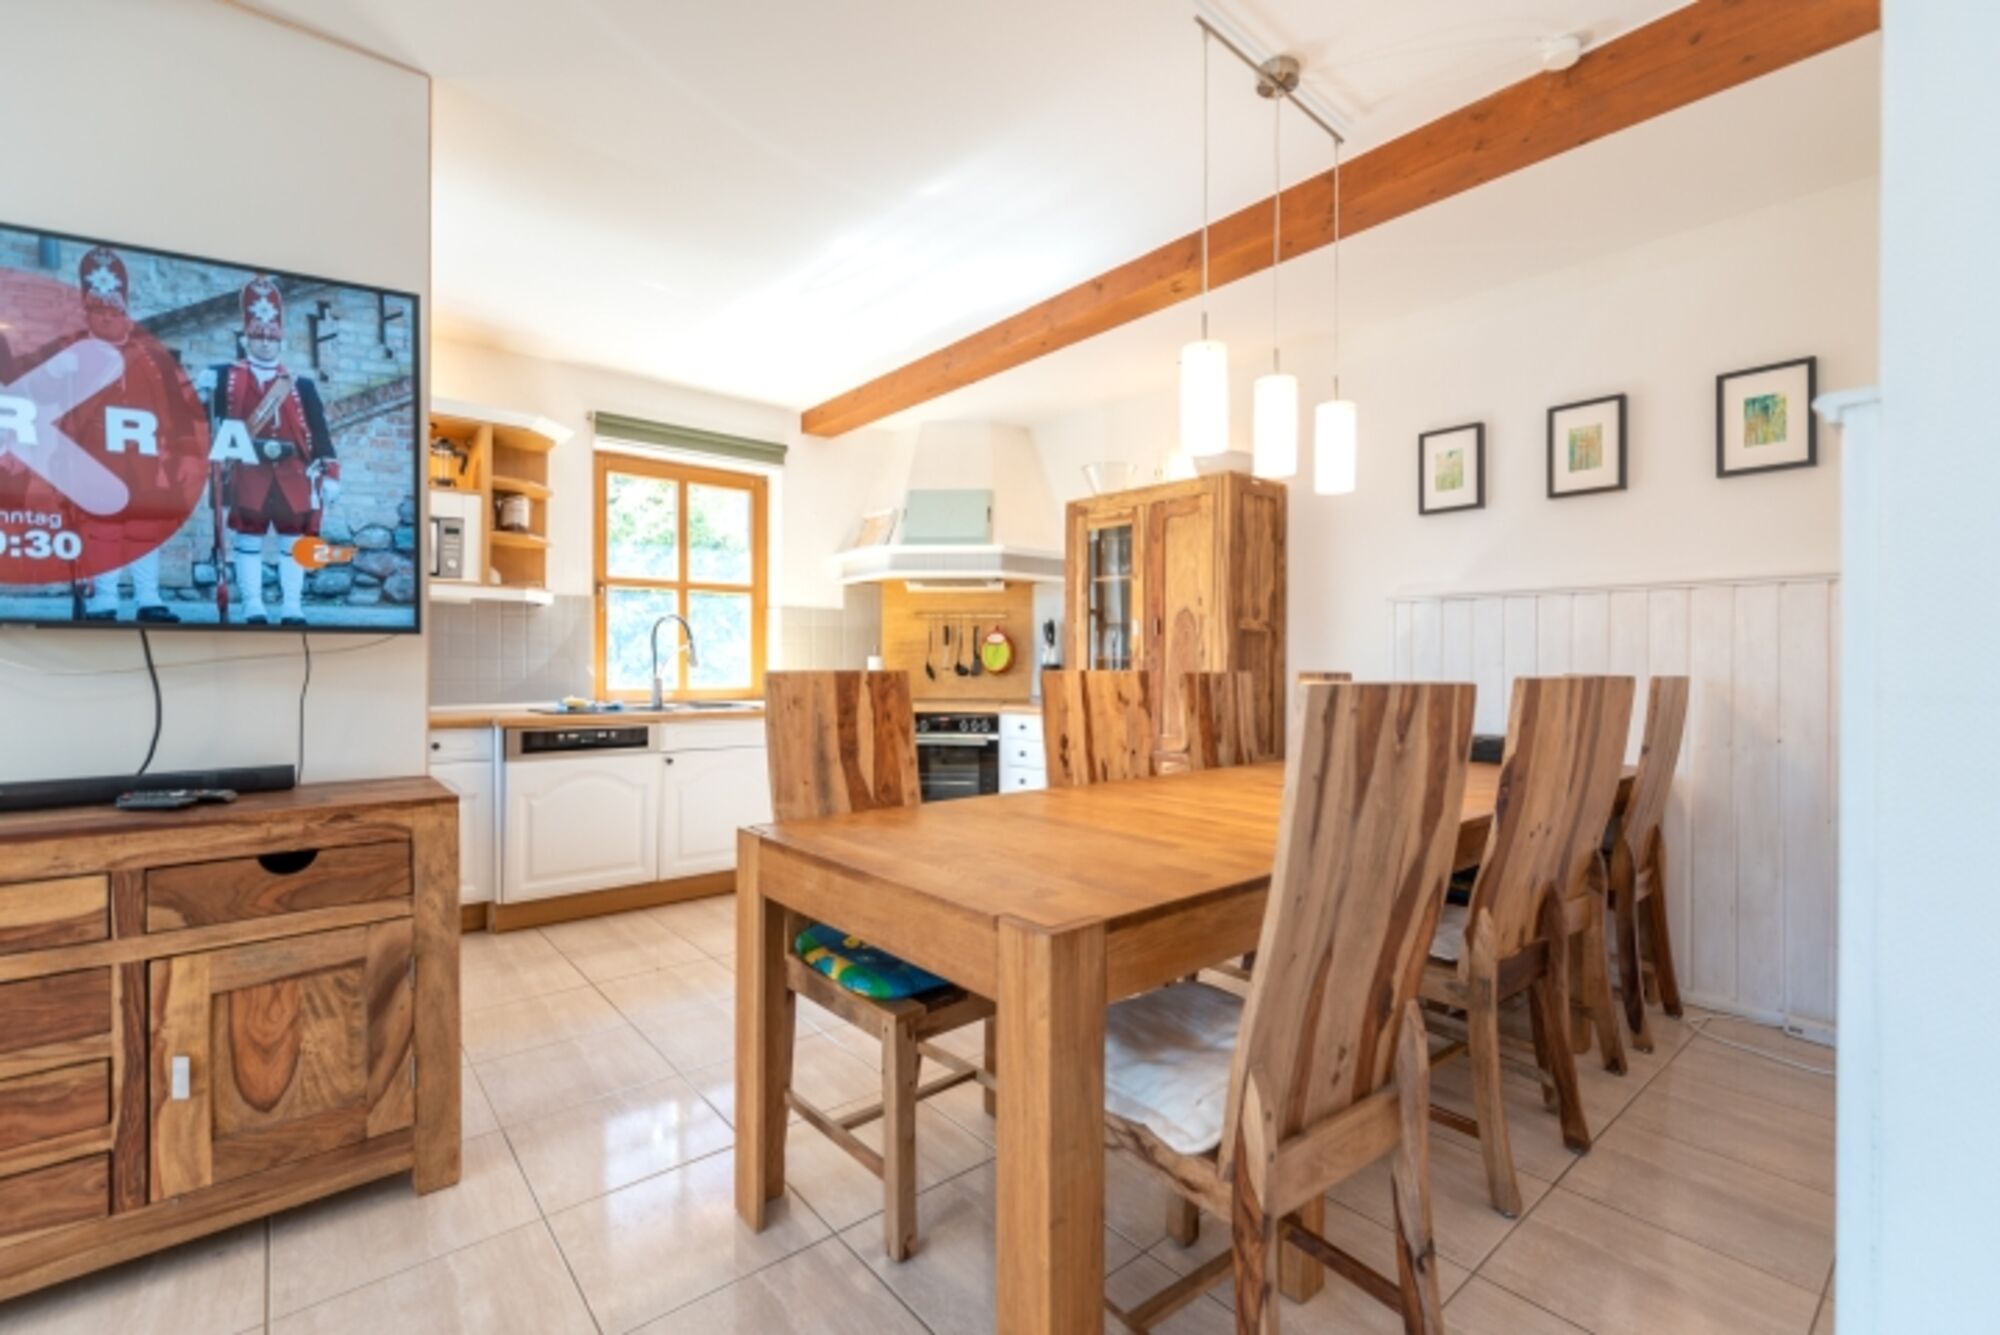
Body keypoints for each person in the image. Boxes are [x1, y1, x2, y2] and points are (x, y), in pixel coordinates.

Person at [72, 246, 204, 622]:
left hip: (146, 456)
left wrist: (183, 454)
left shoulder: (153, 357)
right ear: (87, 312)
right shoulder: (72, 354)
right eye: (99, 310)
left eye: (115, 310)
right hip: (96, 454)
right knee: (104, 526)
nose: (108, 317)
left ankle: (149, 599)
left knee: (145, 525)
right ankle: (104, 600)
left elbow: (176, 410)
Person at [208, 276, 338, 625]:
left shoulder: (301, 385)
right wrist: (203, 392)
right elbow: (203, 420)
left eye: (271, 337)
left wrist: (330, 473)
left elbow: (319, 431)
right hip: (250, 471)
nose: (265, 343)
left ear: (280, 340)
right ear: (247, 338)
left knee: (292, 542)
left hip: (292, 473)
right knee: (248, 541)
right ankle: (253, 605)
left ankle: (292, 606)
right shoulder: (226, 377)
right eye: (258, 336)